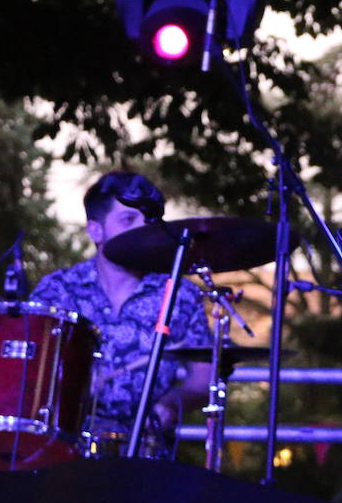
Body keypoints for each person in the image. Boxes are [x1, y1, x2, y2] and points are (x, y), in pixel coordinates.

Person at [32, 170, 211, 454]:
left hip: (146, 449)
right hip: (62, 446)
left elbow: (204, 377)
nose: (142, 231)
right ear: (96, 230)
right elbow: (27, 370)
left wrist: (173, 404)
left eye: (148, 222)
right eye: (128, 220)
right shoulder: (57, 290)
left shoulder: (178, 293)